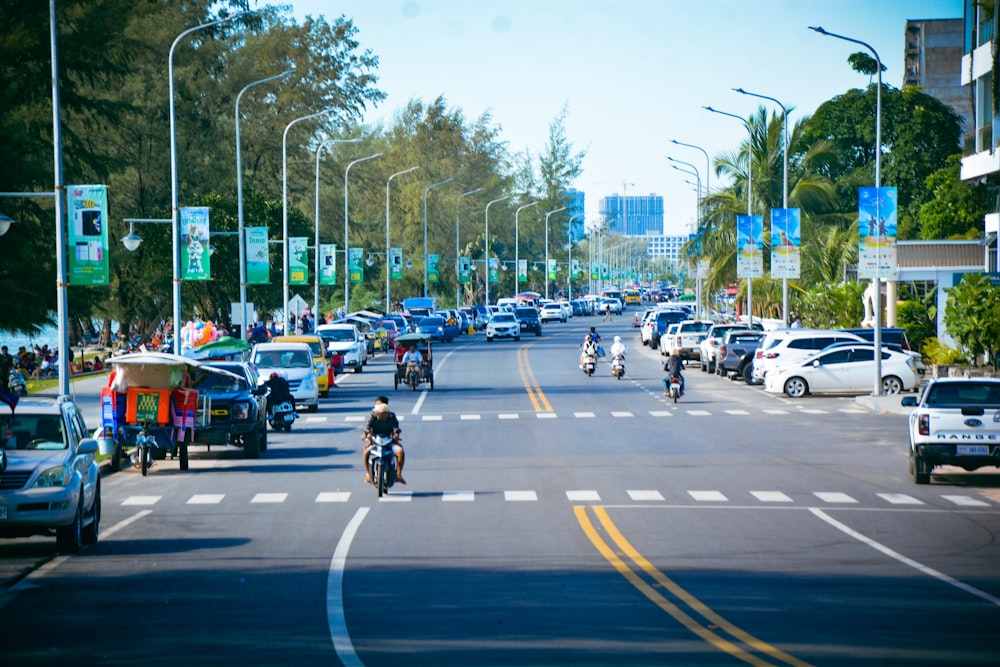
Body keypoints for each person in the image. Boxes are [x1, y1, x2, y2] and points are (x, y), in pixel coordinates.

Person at [362, 396, 404, 484]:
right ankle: (368, 474)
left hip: (389, 441)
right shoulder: (373, 416)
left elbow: (396, 428)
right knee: (366, 452)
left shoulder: (391, 416)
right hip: (376, 441)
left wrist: (396, 435)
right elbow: (368, 427)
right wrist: (366, 435)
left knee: (400, 452)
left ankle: (398, 474)